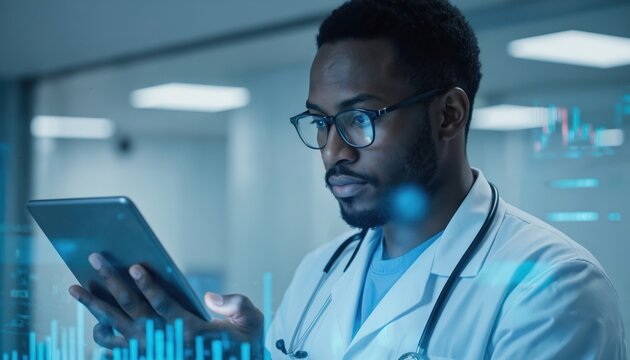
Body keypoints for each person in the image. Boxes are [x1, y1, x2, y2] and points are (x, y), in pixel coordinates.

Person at [68, 0, 627, 358]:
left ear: (449, 115)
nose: (332, 150)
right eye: (320, 121)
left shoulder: (553, 288)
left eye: (360, 119)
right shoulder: (320, 273)